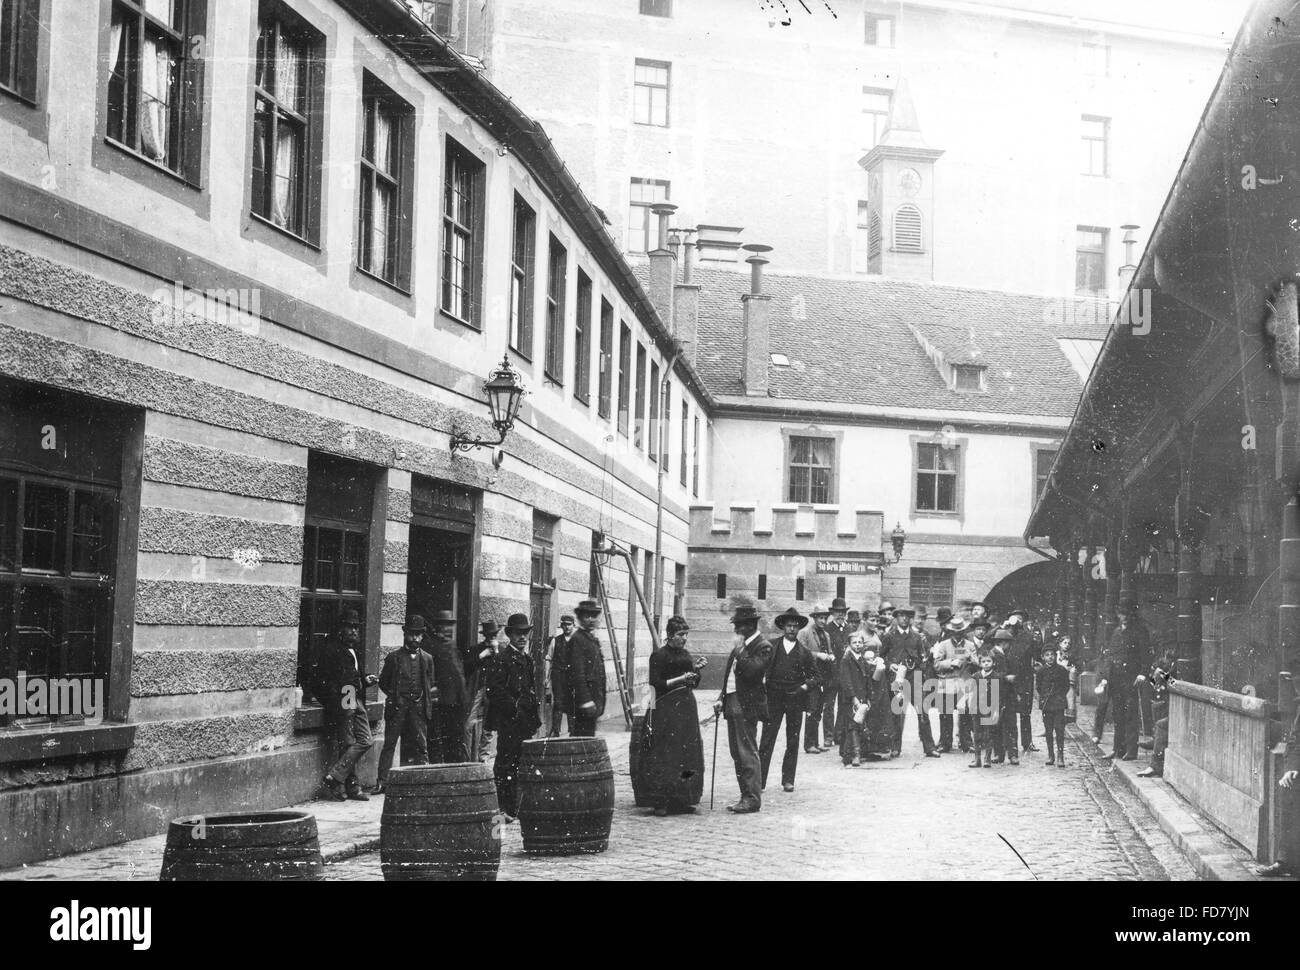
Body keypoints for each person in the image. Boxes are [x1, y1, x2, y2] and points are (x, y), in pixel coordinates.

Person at [712, 604, 773, 814]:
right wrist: (722, 697)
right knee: (736, 752)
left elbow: (752, 672)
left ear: (750, 625)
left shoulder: (763, 646)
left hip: (747, 706)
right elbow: (730, 675)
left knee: (747, 752)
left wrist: (740, 651)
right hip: (732, 702)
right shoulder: (740, 645)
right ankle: (744, 796)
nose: (736, 629)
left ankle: (752, 798)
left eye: (739, 625)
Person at [644, 616, 708, 816]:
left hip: (686, 709)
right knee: (667, 754)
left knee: (687, 753)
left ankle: (684, 799)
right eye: (681, 634)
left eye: (686, 634)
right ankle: (662, 801)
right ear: (670, 635)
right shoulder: (659, 656)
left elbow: (692, 683)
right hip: (667, 711)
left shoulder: (687, 655)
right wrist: (680, 678)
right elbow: (655, 684)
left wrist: (696, 671)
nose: (685, 638)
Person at [316, 608, 378, 801]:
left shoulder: (355, 651)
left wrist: (365, 679)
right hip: (344, 698)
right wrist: (337, 698)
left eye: (356, 628)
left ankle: (334, 778)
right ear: (340, 629)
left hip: (356, 698)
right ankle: (351, 787)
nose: (354, 631)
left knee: (365, 740)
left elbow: (355, 676)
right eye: (349, 627)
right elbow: (327, 680)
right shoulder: (332, 650)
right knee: (348, 743)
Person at [485, 613, 541, 820]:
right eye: (518, 633)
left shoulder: (527, 659)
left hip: (524, 721)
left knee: (520, 763)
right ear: (510, 635)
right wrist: (514, 708)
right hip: (509, 721)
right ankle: (502, 808)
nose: (523, 637)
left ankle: (515, 806)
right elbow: (494, 690)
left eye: (525, 633)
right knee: (505, 763)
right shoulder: (502, 659)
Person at [760, 607, 820, 792]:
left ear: (799, 628)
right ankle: (759, 780)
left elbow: (816, 677)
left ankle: (788, 780)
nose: (792, 629)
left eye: (795, 626)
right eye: (789, 626)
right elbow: (759, 668)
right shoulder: (771, 646)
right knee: (767, 739)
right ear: (783, 627)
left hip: (795, 698)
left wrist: (804, 687)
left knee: (792, 740)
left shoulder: (804, 652)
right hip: (774, 698)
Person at [375, 615, 436, 793]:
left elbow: (429, 682)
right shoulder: (393, 658)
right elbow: (384, 683)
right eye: (412, 634)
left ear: (423, 636)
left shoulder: (427, 659)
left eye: (419, 635)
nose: (415, 638)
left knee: (421, 746)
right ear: (405, 634)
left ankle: (423, 781)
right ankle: (382, 782)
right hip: (397, 708)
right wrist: (396, 697)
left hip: (418, 708)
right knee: (389, 744)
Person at [880, 605, 938, 758]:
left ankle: (929, 747)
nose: (904, 618)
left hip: (914, 678)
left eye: (907, 616)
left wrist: (920, 671)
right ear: (896, 618)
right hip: (897, 679)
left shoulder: (917, 637)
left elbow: (923, 657)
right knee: (896, 713)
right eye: (900, 616)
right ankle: (895, 747)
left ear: (910, 618)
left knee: (923, 712)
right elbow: (881, 657)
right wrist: (889, 664)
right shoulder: (889, 636)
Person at [1101, 599, 1152, 762]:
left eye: (1127, 614)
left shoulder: (1140, 631)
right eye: (1121, 614)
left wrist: (1143, 673)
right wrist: (1106, 677)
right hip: (1116, 679)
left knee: (1130, 714)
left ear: (1132, 615)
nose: (1124, 617)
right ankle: (1117, 749)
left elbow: (1146, 654)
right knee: (1118, 714)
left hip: (1131, 678)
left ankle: (1131, 750)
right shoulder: (1116, 632)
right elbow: (1110, 656)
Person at [426, 610, 469, 763]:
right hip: (443, 702)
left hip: (458, 701)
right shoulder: (432, 647)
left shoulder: (452, 646)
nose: (449, 629)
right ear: (437, 627)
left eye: (451, 625)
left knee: (457, 738)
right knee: (444, 740)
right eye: (445, 625)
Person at [799, 602, 838, 753]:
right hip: (811, 676)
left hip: (824, 676)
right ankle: (809, 744)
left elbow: (828, 650)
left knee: (819, 710)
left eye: (825, 618)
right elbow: (801, 652)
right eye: (820, 618)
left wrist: (831, 655)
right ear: (814, 618)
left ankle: (815, 742)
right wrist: (818, 655)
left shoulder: (826, 634)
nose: (823, 621)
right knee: (812, 709)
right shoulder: (805, 633)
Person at [566, 600, 608, 736]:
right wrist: (585, 701)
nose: (591, 620)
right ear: (579, 619)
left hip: (594, 699)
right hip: (585, 703)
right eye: (587, 616)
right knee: (582, 739)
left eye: (594, 616)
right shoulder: (578, 639)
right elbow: (577, 673)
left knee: (588, 737)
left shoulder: (591, 639)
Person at [1001, 608, 1039, 754]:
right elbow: (989, 639)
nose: (1017, 621)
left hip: (1024, 678)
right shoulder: (1003, 633)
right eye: (1014, 618)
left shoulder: (1028, 636)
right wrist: (1003, 626)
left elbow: (1036, 650)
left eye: (1020, 619)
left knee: (1025, 712)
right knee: (1006, 712)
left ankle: (1027, 742)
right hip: (1008, 677)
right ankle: (1007, 742)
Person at [1137, 649, 1178, 779]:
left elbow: (1175, 683)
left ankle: (1156, 765)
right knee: (1157, 717)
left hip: (1173, 704)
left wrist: (1162, 674)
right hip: (1164, 700)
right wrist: (1154, 677)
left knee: (1161, 724)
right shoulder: (1165, 664)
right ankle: (1155, 742)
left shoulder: (1179, 665)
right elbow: (1155, 681)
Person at [837, 631, 876, 766]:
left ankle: (850, 753)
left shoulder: (862, 660)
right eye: (854, 642)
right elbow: (846, 680)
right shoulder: (846, 660)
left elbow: (868, 680)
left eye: (860, 642)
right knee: (853, 724)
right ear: (849, 644)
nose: (858, 645)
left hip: (863, 696)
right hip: (851, 698)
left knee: (859, 724)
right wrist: (853, 698)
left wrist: (869, 697)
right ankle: (856, 754)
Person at [930, 616, 968, 752]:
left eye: (960, 631)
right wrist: (950, 663)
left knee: (965, 713)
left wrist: (969, 658)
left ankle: (965, 742)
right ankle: (945, 743)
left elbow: (977, 663)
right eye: (955, 631)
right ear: (951, 631)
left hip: (964, 682)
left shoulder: (969, 645)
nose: (958, 634)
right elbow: (936, 665)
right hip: (946, 682)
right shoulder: (943, 645)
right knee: (945, 714)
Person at [463, 620, 499, 763]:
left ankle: (483, 757)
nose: (492, 637)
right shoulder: (476, 649)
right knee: (468, 723)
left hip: (493, 690)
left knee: (488, 726)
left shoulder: (500, 650)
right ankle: (467, 759)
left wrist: (496, 653)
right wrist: (481, 656)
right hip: (477, 689)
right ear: (485, 636)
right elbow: (466, 667)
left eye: (494, 635)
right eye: (489, 635)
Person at [1036, 644, 1070, 767]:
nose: (1050, 657)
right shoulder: (1041, 671)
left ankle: (1061, 756)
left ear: (1056, 656)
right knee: (1048, 731)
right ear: (1043, 657)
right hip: (1047, 705)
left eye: (1052, 655)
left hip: (1059, 704)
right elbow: (1039, 687)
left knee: (1059, 730)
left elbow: (1066, 686)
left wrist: (1059, 697)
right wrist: (1045, 697)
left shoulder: (1062, 670)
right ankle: (1051, 756)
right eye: (1047, 655)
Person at [988, 628, 1019, 765]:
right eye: (1008, 643)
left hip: (1009, 695)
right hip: (995, 693)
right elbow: (988, 674)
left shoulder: (1009, 655)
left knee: (1011, 724)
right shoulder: (991, 655)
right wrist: (1006, 677)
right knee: (996, 724)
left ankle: (1013, 754)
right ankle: (998, 753)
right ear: (1002, 643)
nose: (1009, 646)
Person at [544, 615, 576, 737]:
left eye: (569, 624)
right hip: (558, 676)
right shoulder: (555, 641)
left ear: (573, 625)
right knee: (558, 702)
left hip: (572, 677)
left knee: (572, 703)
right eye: (565, 624)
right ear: (561, 625)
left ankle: (572, 731)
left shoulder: (577, 641)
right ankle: (556, 731)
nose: (567, 627)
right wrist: (546, 677)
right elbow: (549, 658)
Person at [970, 651, 1002, 769]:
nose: (986, 664)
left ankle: (987, 758)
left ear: (993, 663)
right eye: (983, 662)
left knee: (989, 734)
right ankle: (977, 758)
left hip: (990, 709)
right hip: (977, 709)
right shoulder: (976, 676)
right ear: (980, 664)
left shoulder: (996, 677)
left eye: (989, 661)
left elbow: (998, 696)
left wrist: (996, 711)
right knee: (977, 733)